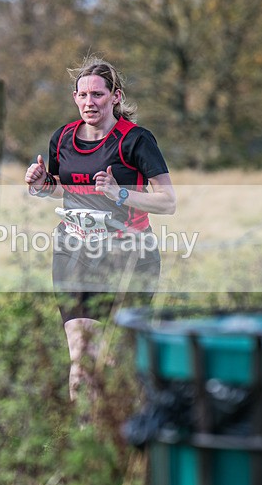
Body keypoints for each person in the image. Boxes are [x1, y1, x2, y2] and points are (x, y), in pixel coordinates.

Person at [24, 57, 176, 403]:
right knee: (81, 355)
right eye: (82, 95)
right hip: (74, 254)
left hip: (128, 256)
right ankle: (83, 441)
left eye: (97, 95)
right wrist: (42, 183)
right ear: (74, 97)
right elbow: (65, 189)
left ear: (115, 97)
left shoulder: (136, 141)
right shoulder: (62, 138)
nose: (89, 103)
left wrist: (119, 193)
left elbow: (167, 202)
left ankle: (126, 431)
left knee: (114, 357)